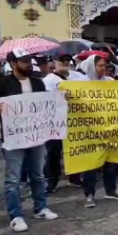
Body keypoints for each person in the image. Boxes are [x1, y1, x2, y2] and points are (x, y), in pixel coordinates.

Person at [0, 49, 59, 232]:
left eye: (30, 60)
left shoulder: (38, 83)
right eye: (24, 61)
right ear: (13, 64)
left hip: (37, 136)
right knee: (13, 179)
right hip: (13, 139)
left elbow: (47, 106)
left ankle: (41, 207)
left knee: (38, 174)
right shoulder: (2, 84)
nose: (29, 63)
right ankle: (16, 216)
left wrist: (60, 101)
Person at [77, 55, 118, 207]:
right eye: (99, 65)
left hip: (109, 129)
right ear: (91, 67)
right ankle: (89, 195)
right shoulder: (81, 84)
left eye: (104, 66)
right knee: (91, 164)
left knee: (111, 162)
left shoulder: (110, 82)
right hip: (90, 131)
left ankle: (110, 190)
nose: (103, 68)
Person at [42, 52, 88, 192]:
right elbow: (45, 99)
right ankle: (52, 180)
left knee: (75, 149)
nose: (65, 62)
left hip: (75, 120)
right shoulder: (48, 80)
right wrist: (60, 97)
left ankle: (75, 177)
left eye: (68, 60)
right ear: (54, 62)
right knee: (53, 152)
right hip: (55, 121)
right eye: (62, 60)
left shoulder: (79, 77)